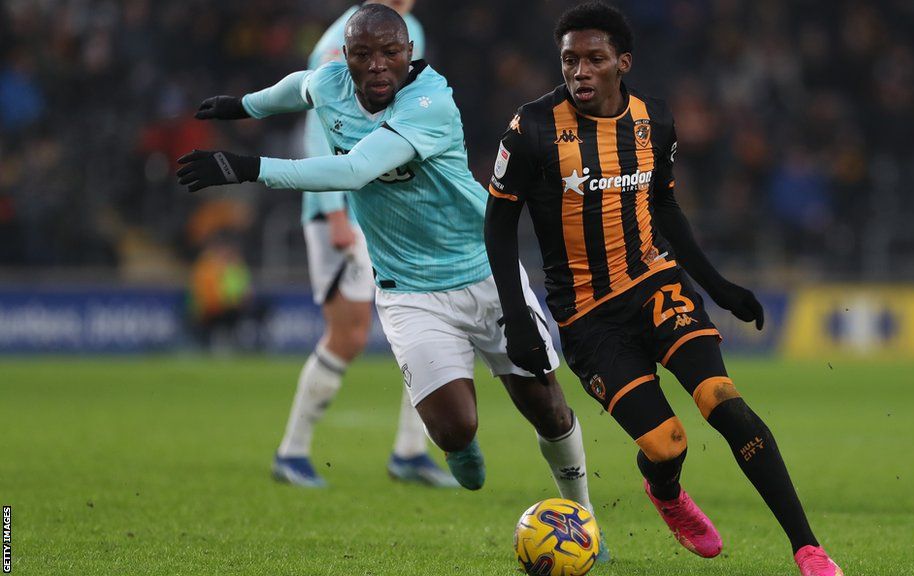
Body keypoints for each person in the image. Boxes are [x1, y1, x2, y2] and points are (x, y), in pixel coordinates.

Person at [176, 4, 609, 561]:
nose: (378, 67)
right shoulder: (333, 82)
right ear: (347, 59)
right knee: (454, 428)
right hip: (408, 291)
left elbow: (355, 169)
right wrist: (244, 105)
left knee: (544, 405)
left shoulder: (431, 102)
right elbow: (300, 87)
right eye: (363, 56)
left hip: (483, 269)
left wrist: (249, 165)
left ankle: (584, 516)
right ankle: (456, 448)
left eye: (390, 54)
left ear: (410, 54)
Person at [483, 3, 841, 575]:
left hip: (654, 284)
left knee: (722, 403)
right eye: (569, 59)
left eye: (594, 59)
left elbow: (665, 205)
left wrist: (718, 286)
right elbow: (498, 224)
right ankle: (667, 492)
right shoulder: (532, 129)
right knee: (666, 443)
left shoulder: (656, 121)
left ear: (622, 62)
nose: (580, 71)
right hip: (588, 319)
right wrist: (517, 318)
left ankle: (808, 548)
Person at [264, 0, 456, 489]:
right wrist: (333, 210)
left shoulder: (409, 27)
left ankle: (411, 451)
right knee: (348, 335)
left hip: (389, 202)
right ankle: (292, 451)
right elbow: (317, 118)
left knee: (432, 320)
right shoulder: (346, 35)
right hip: (344, 205)